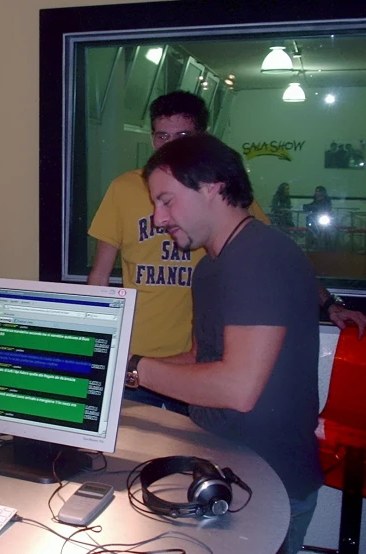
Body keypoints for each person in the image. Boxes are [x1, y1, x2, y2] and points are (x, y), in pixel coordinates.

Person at [132, 134, 323, 553]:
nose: (158, 218)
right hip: (222, 469)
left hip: (272, 485)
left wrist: (135, 368)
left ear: (213, 186)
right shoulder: (211, 267)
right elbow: (203, 360)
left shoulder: (260, 255)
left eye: (167, 200)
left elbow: (238, 389)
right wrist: (125, 374)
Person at [88, 91, 270, 413]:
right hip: (137, 360)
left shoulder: (219, 193)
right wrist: (94, 343)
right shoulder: (124, 188)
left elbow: (271, 256)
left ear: (202, 138)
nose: (171, 146)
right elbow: (100, 277)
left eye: (183, 136)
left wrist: (328, 302)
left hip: (198, 362)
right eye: (163, 136)